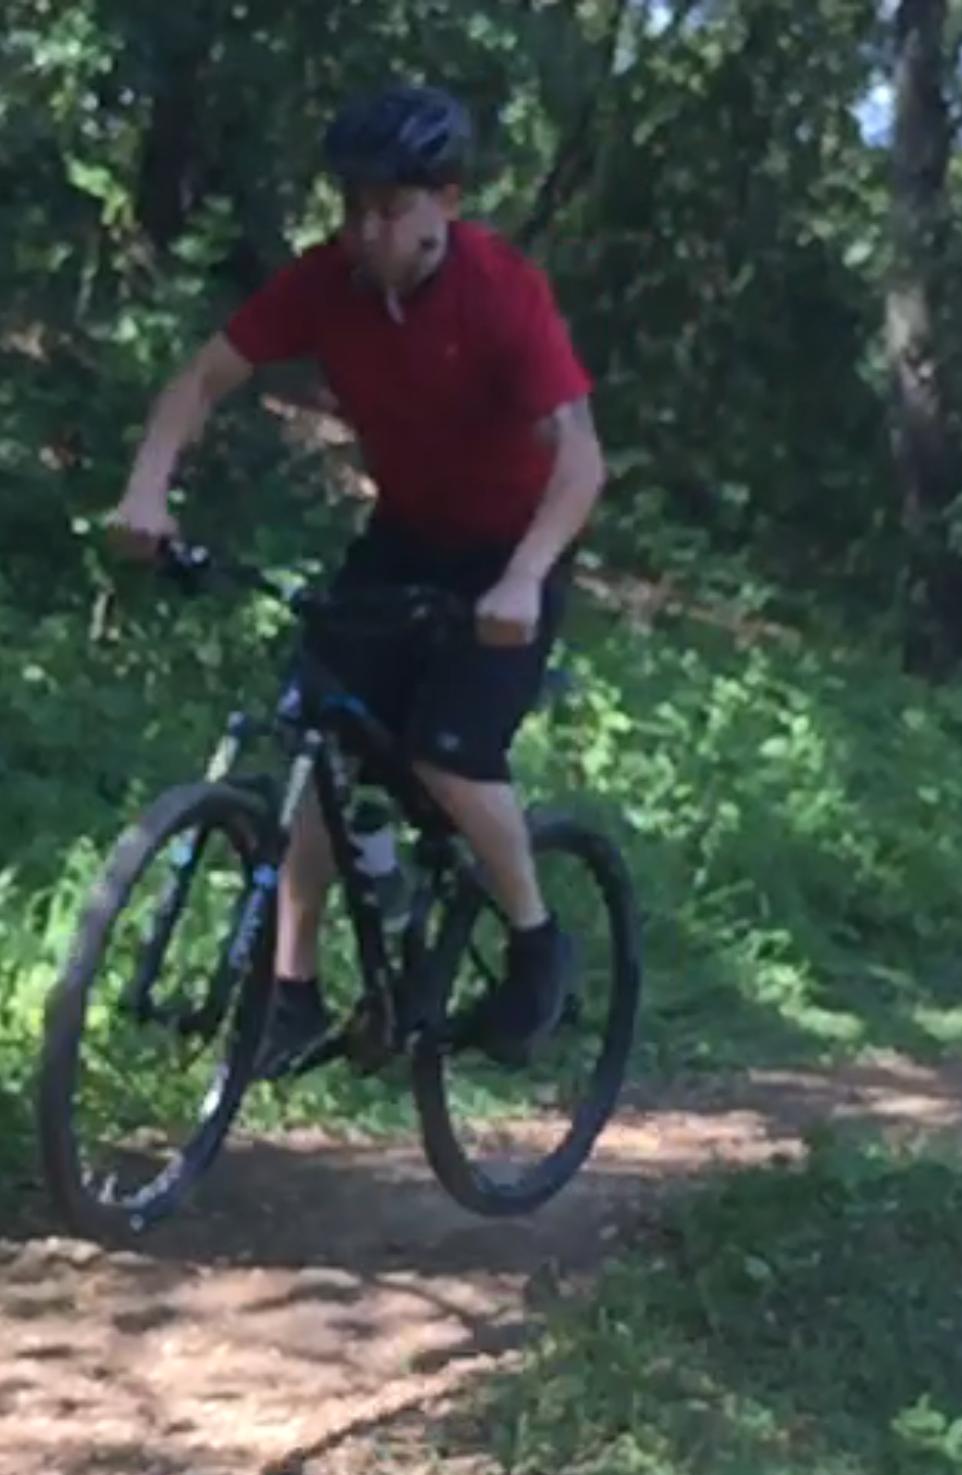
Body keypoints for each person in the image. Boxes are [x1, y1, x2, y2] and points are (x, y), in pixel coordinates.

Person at [110, 83, 606, 1073]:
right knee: (318, 742)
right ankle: (293, 994)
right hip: (406, 535)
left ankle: (537, 942)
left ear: (447, 202)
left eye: (391, 209)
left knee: (449, 760)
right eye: (354, 208)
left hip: (515, 548)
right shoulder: (323, 284)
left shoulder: (501, 291)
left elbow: (581, 462)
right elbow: (201, 380)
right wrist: (146, 493)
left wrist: (521, 583)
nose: (367, 230)